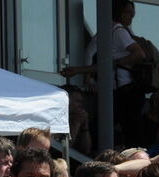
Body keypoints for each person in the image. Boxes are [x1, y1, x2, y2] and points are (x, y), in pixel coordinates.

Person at [61, 0, 147, 146]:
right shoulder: (118, 32)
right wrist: (82, 72)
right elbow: (137, 55)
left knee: (107, 128)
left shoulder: (113, 31)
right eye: (128, 13)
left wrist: (84, 74)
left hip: (125, 91)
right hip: (125, 92)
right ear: (118, 12)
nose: (131, 17)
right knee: (123, 131)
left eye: (133, 14)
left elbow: (138, 55)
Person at [63, 84, 93, 155]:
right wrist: (76, 123)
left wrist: (84, 126)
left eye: (81, 102)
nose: (80, 105)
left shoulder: (78, 117)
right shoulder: (57, 121)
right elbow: (64, 149)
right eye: (77, 101)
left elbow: (86, 150)